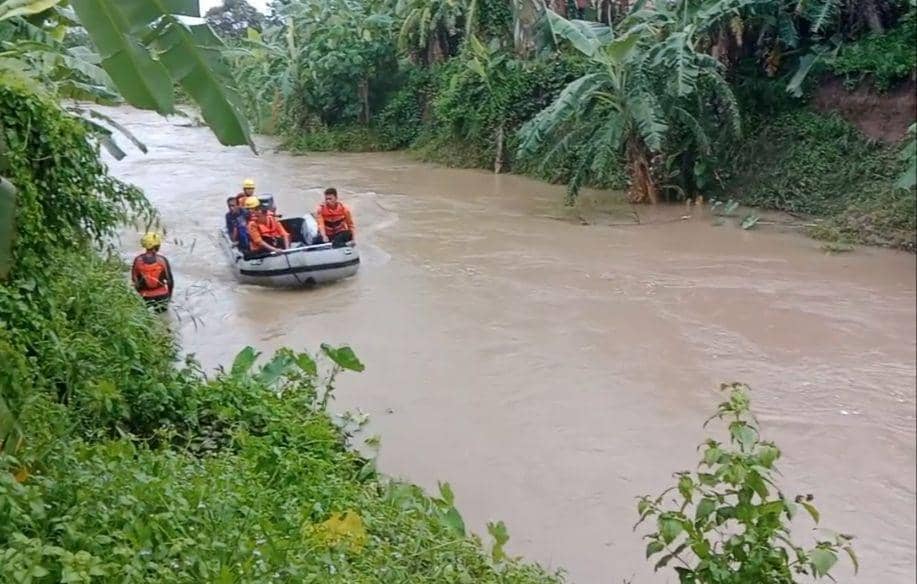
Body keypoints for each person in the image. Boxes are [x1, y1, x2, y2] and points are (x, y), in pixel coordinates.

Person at [131, 232, 173, 311]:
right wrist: (169, 297)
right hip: (162, 295)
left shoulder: (137, 260)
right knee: (163, 321)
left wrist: (141, 293)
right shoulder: (162, 260)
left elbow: (135, 281)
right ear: (156, 246)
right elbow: (170, 281)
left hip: (145, 296)